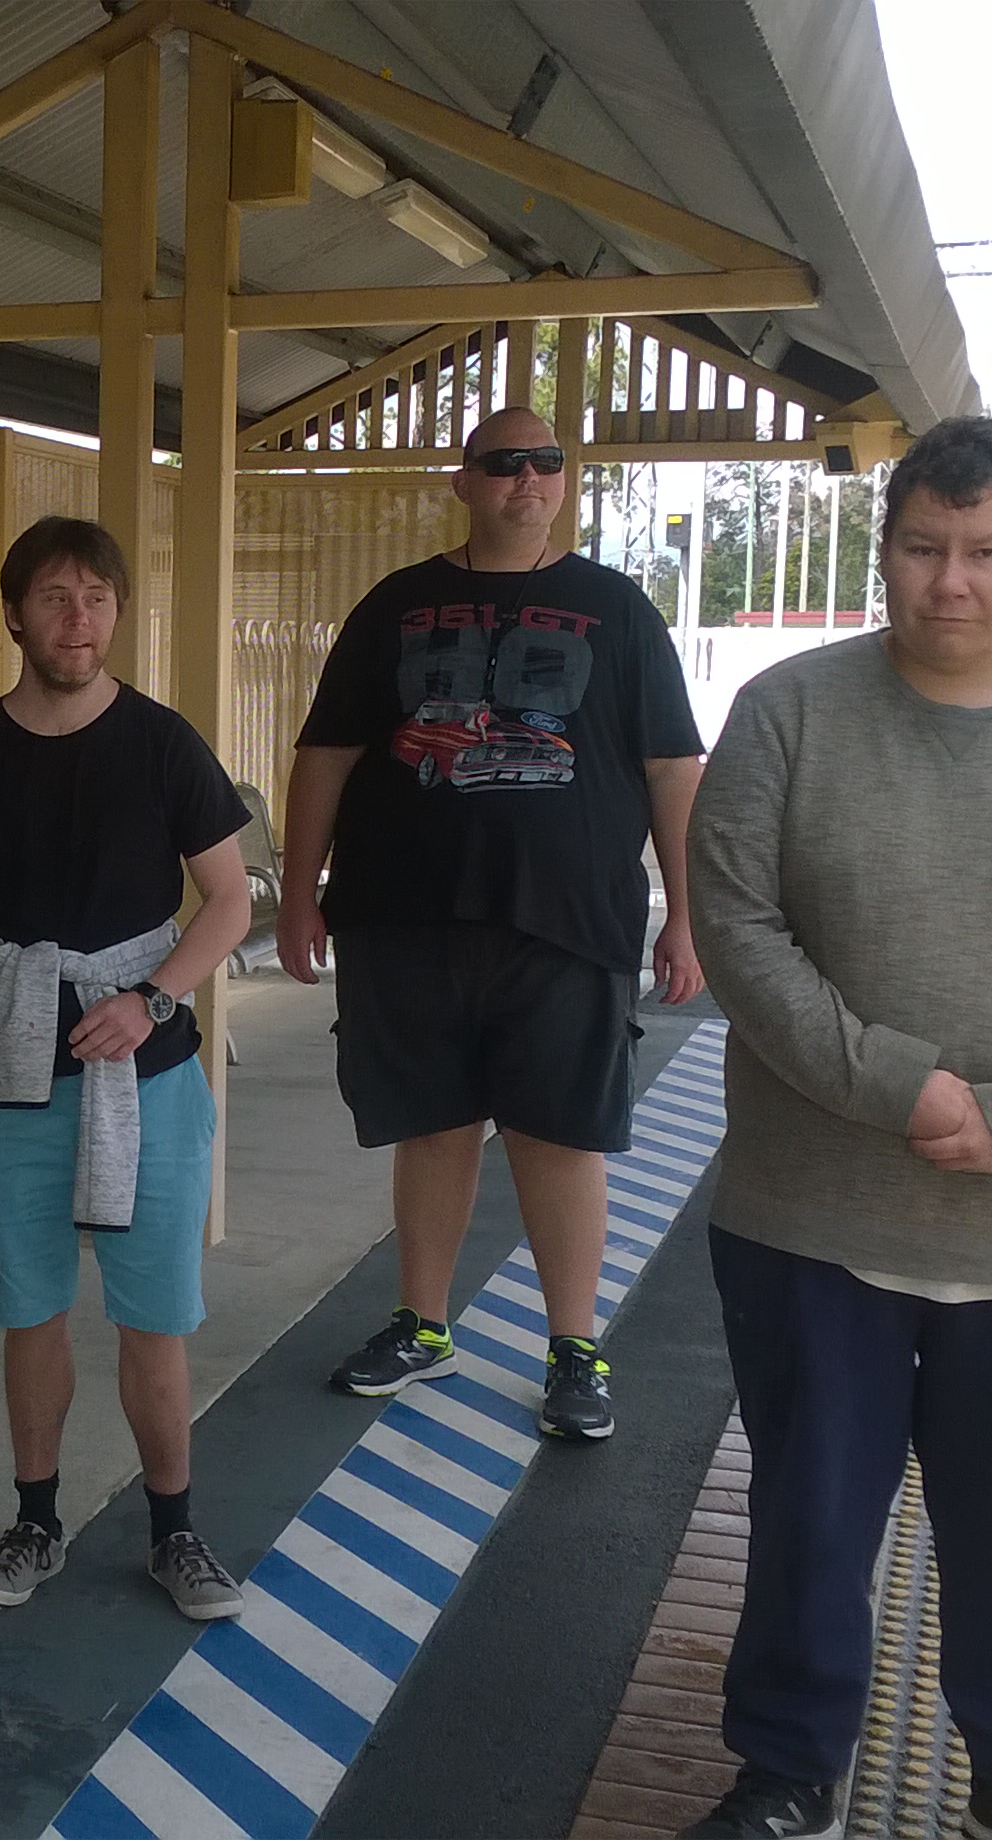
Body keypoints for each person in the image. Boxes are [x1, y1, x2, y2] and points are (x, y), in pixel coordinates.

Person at [679, 417, 992, 1840]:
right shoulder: (789, 714)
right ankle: (788, 1770)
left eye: (982, 552)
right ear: (885, 547)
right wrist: (894, 1085)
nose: (947, 583)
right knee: (808, 1522)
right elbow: (738, 925)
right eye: (919, 547)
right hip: (812, 1216)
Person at [275, 407, 705, 1438]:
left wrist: (686, 913)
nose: (527, 479)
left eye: (546, 462)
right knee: (430, 1125)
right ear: (463, 482)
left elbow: (672, 769)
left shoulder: (619, 610)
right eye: (504, 463)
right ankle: (422, 1325)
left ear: (565, 481)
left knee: (561, 1137)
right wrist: (298, 890)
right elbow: (327, 753)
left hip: (567, 921)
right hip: (404, 915)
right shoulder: (396, 606)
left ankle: (574, 1350)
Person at [0, 517, 255, 1622]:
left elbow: (232, 900)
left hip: (151, 1080)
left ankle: (175, 1528)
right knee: (32, 1312)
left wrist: (148, 1002)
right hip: (13, 1077)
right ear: (13, 614)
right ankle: (36, 1519)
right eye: (54, 597)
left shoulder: (162, 743)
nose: (78, 618)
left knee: (156, 1315)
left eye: (97, 597)